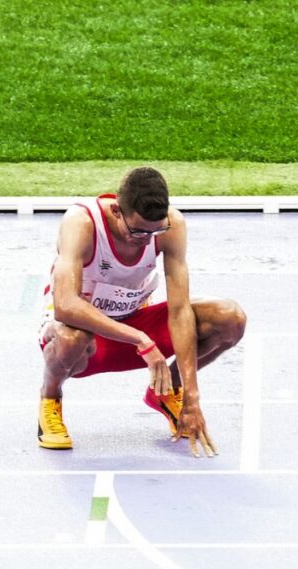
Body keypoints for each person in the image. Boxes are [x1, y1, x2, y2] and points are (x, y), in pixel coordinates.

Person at [38, 167, 246, 456]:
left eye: (155, 231)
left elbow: (180, 310)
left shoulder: (171, 225)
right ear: (116, 211)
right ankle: (50, 399)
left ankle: (166, 392)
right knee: (72, 336)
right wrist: (139, 339)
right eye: (137, 231)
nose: (146, 240)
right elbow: (66, 306)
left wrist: (192, 396)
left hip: (135, 326)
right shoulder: (81, 222)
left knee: (230, 318)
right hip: (85, 338)